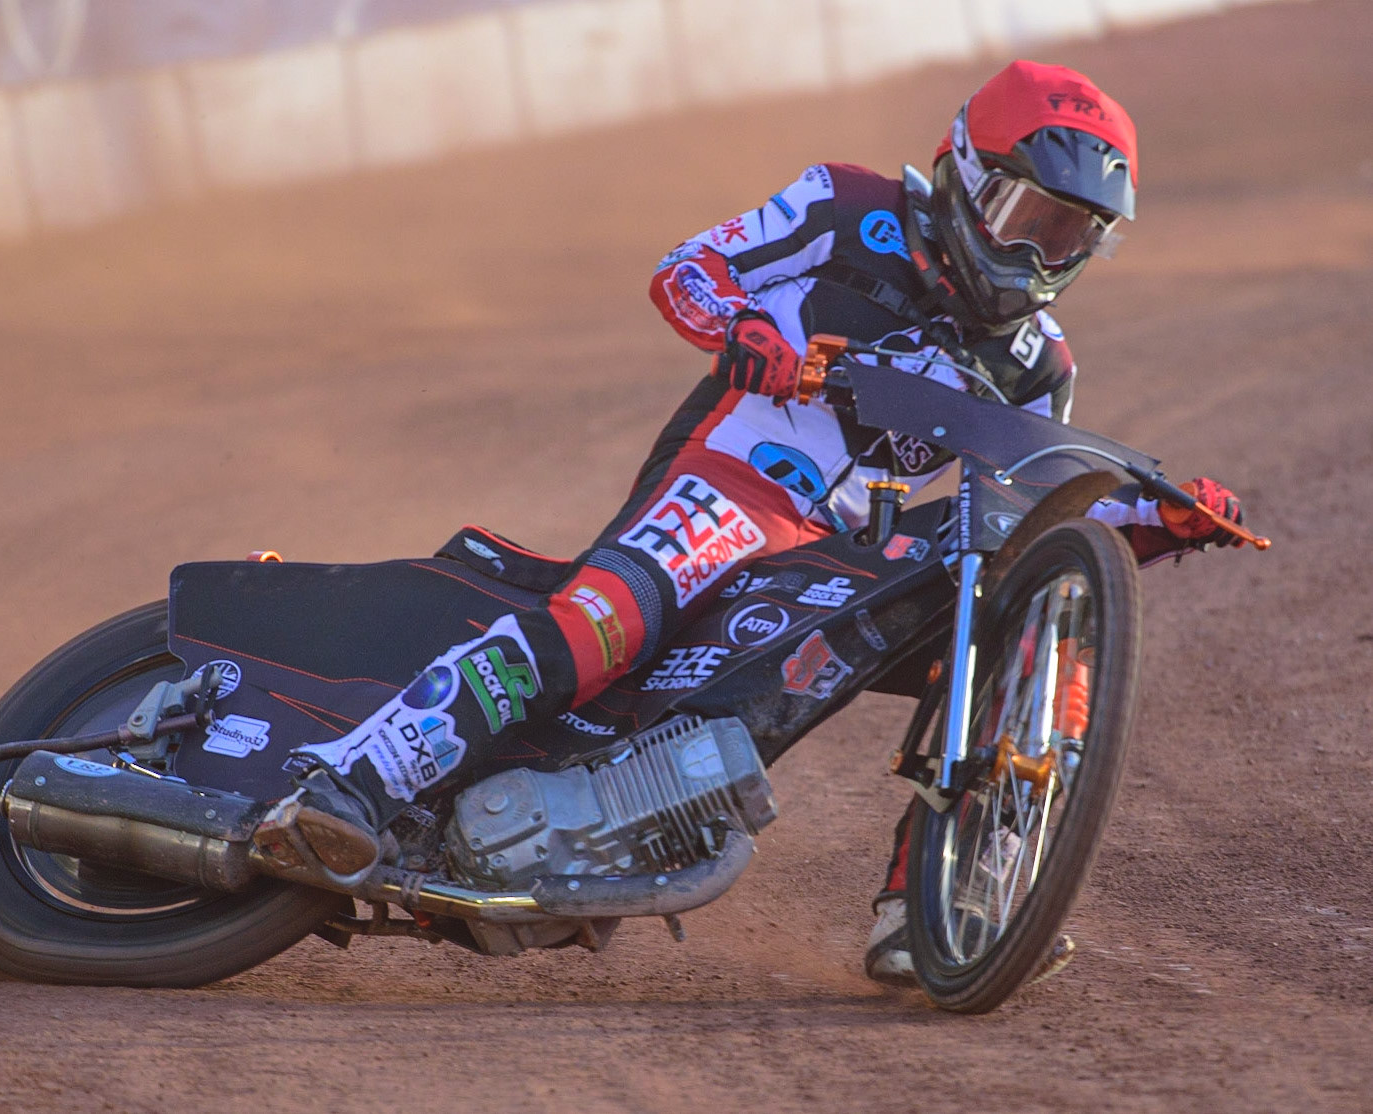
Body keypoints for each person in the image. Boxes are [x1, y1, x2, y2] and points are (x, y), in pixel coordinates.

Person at [264, 60, 1245, 986]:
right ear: (961, 171)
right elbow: (687, 270)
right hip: (737, 481)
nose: (1037, 253)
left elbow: (1029, 511)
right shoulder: (848, 204)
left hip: (847, 553)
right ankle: (352, 778)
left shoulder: (1042, 364)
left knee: (1006, 620)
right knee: (604, 625)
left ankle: (936, 901)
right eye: (1022, 214)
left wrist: (1150, 517)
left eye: (1070, 237)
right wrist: (751, 326)